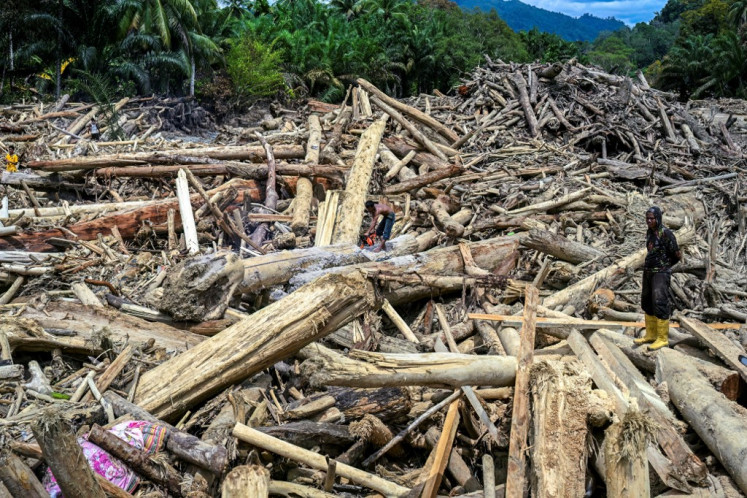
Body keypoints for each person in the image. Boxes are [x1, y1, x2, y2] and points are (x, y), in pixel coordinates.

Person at [635, 206, 682, 350]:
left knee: (659, 301)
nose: (649, 221)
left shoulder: (666, 233)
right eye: (647, 218)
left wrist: (664, 266)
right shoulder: (650, 232)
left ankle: (662, 338)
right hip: (648, 271)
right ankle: (650, 334)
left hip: (660, 272)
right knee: (647, 301)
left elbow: (676, 255)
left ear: (658, 218)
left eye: (652, 218)